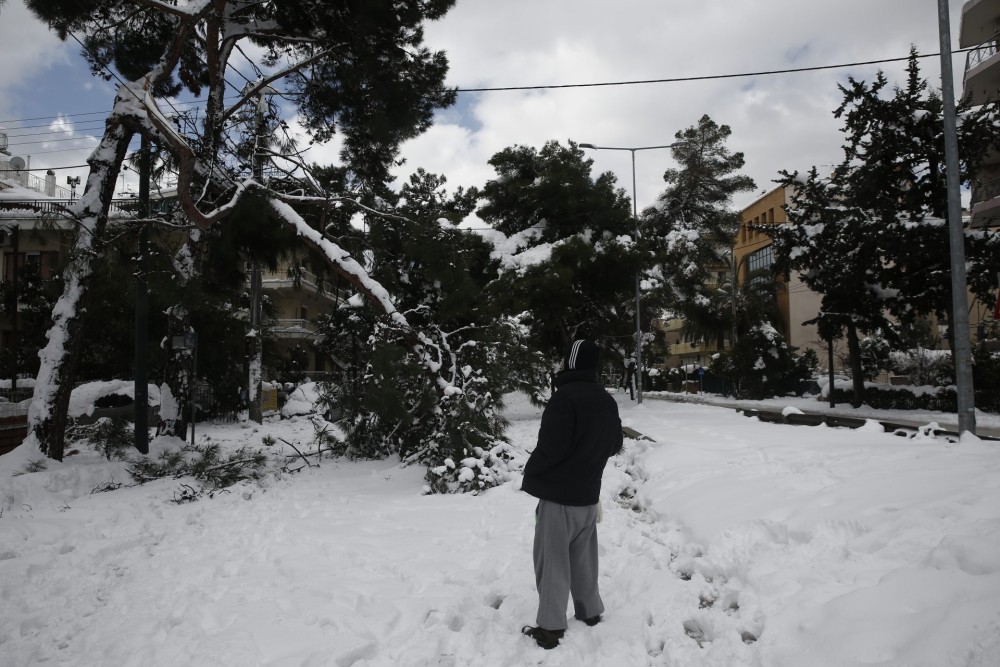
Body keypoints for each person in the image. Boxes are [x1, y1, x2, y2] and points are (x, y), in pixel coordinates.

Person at [520, 339, 624, 650]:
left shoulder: (564, 399)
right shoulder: (607, 401)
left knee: (552, 561)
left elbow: (551, 448)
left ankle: (551, 628)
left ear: (571, 364)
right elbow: (615, 443)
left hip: (559, 498)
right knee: (583, 558)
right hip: (589, 496)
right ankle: (590, 611)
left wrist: (532, 470)